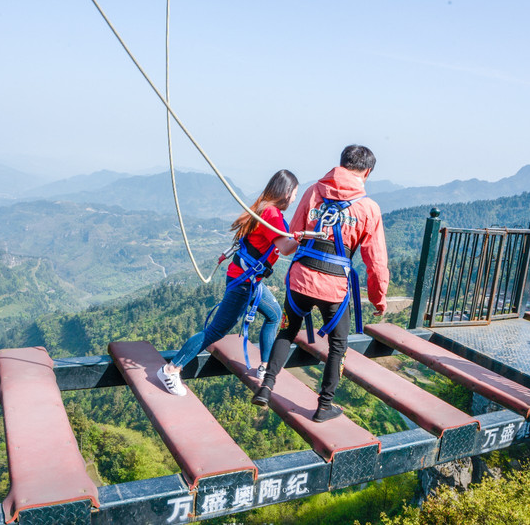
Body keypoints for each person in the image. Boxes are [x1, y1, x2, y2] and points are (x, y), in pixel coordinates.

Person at [251, 145, 389, 422]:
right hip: (334, 288)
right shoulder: (368, 208)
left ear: (341, 164)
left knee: (286, 332)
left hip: (300, 279)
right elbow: (375, 261)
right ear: (367, 172)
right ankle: (324, 406)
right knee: (338, 346)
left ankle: (266, 387)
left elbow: (294, 234)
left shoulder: (314, 192)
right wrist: (378, 298)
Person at [157, 169, 300, 396]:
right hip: (244, 283)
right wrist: (304, 237)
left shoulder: (262, 207)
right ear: (286, 192)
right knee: (216, 331)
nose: (294, 199)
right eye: (294, 193)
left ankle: (264, 367)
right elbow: (285, 248)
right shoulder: (271, 214)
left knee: (273, 315)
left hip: (247, 279)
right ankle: (171, 368)